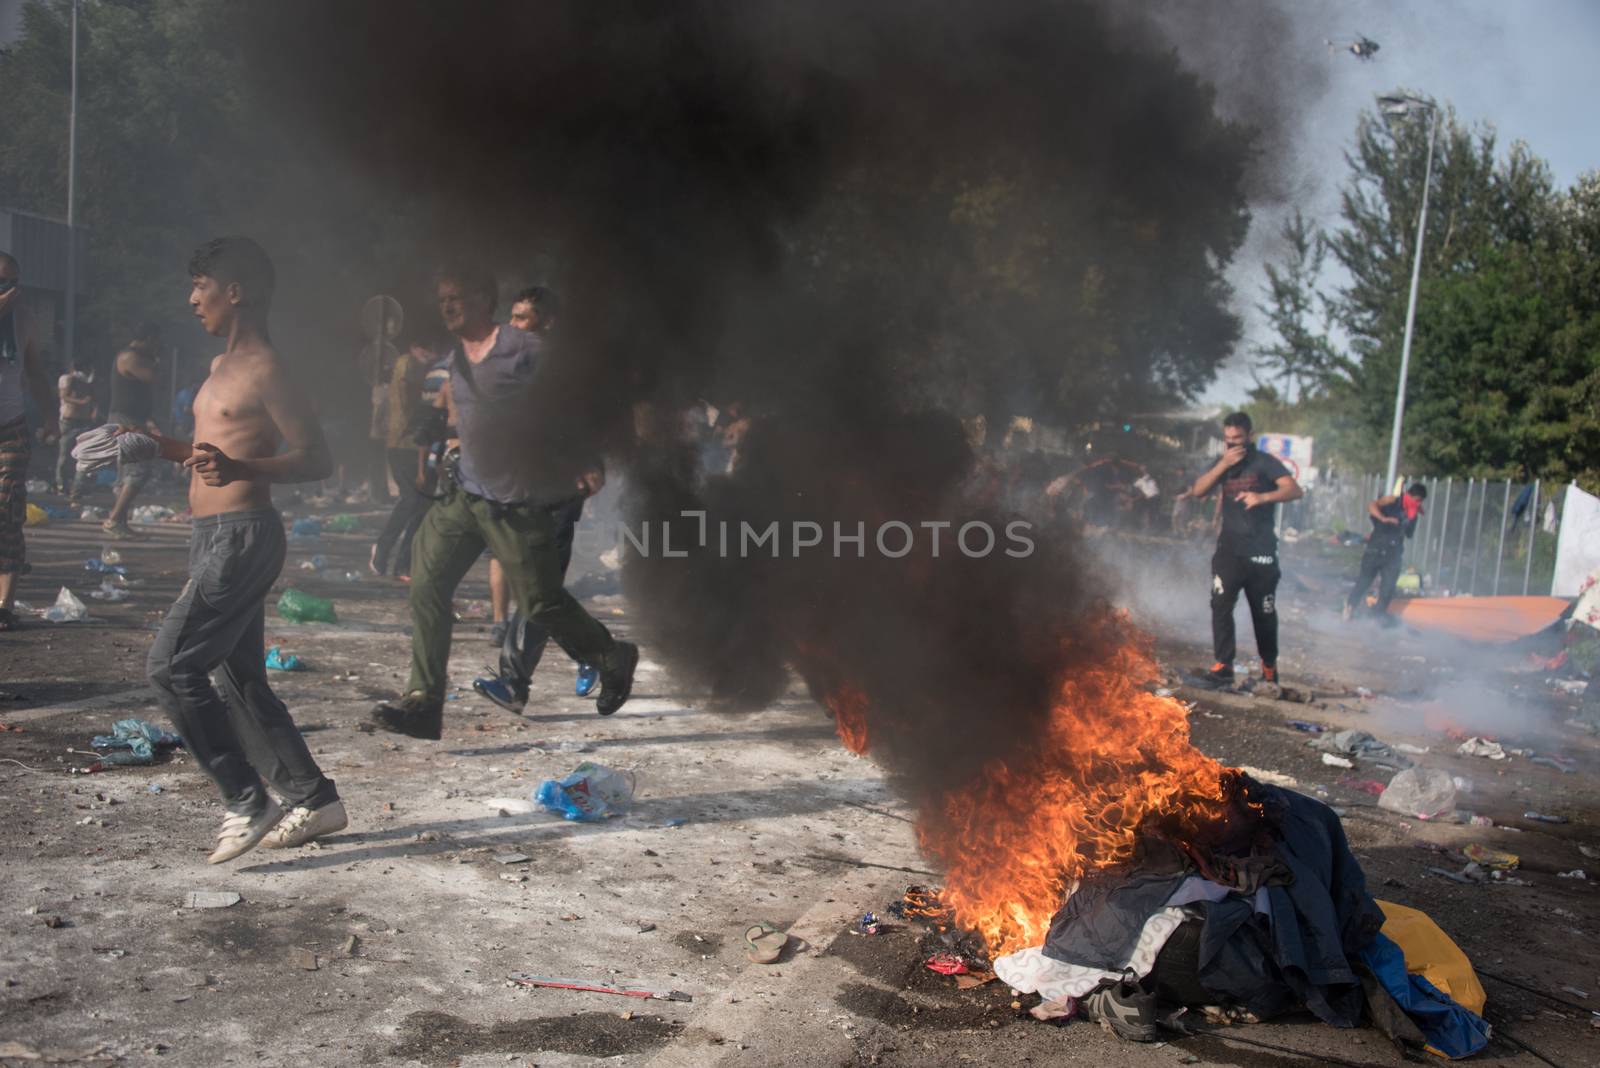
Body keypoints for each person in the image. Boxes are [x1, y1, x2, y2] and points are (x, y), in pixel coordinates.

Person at [142, 236, 344, 862]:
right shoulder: (215, 369)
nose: (191, 298)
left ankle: (245, 797)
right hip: (210, 537)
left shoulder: (267, 368)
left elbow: (317, 458)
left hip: (244, 535)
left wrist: (242, 466)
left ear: (236, 292)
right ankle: (313, 798)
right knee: (241, 680)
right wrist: (150, 445)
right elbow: (210, 451)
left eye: (200, 286)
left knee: (172, 666)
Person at [371, 265, 636, 739]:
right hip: (465, 494)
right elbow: (453, 411)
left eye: (458, 297)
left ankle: (610, 655)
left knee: (540, 603)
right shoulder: (455, 356)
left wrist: (584, 458)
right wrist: (435, 440)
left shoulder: (526, 351)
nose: (448, 306)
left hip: (516, 502)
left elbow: (580, 403)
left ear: (483, 302)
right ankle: (423, 701)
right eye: (443, 299)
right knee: (426, 581)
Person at [474, 285, 602, 707]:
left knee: (538, 589)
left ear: (547, 323)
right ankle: (592, 653)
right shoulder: (516, 365)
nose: (512, 325)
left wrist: (587, 462)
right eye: (510, 317)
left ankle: (515, 682)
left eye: (522, 318)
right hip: (523, 489)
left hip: (558, 490)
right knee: (537, 587)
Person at [1188, 412, 1303, 689]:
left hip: (1261, 551)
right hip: (1229, 550)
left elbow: (1294, 490)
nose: (1232, 445)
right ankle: (1223, 666)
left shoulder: (1264, 463)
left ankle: (1269, 668)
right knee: (1220, 604)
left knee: (1263, 612)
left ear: (1249, 436)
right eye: (1228, 440)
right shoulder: (1223, 462)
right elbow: (1198, 491)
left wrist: (1263, 496)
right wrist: (1221, 466)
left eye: (1237, 439)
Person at [0, 252, 61, 631]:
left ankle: (4, 603)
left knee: (6, 508)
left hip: (11, 427)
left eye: (13, 282)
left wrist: (52, 414)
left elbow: (36, 373)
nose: (10, 291)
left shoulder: (22, 320)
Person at [369, 337, 434, 578]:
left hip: (415, 445)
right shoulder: (408, 364)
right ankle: (383, 549)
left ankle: (403, 564)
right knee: (411, 500)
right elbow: (408, 397)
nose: (429, 354)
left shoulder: (419, 369)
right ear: (414, 346)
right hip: (404, 444)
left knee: (420, 506)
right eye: (425, 348)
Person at [103, 334, 162, 539]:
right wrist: (156, 361)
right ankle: (114, 519)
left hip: (131, 418)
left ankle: (119, 522)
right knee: (139, 471)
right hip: (125, 420)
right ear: (146, 339)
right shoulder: (131, 357)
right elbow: (153, 377)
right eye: (155, 341)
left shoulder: (132, 356)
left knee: (127, 473)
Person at [1344, 483, 1427, 622]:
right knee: (1364, 582)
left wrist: (1410, 519)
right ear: (1410, 495)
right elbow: (1371, 506)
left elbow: (1409, 534)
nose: (1417, 503)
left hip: (1393, 555)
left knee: (1387, 590)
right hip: (1375, 549)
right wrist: (1384, 519)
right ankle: (1349, 608)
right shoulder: (1392, 501)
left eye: (1420, 502)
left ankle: (1375, 620)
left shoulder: (1412, 513)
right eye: (1416, 500)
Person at [56, 357, 97, 498]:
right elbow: (64, 396)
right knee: (65, 456)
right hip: (69, 422)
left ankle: (77, 489)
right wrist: (81, 402)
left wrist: (93, 410)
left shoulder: (88, 382)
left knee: (83, 456)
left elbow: (93, 399)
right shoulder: (68, 379)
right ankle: (62, 486)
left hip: (84, 422)